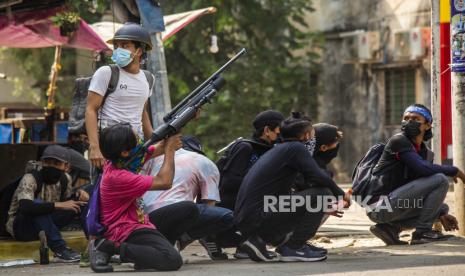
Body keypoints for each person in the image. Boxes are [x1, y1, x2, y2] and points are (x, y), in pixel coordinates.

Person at [234, 113, 351, 262]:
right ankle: (294, 247)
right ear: (306, 134)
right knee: (323, 194)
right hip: (257, 215)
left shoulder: (284, 149)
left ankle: (259, 241)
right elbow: (318, 177)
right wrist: (341, 195)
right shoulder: (295, 148)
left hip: (250, 216)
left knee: (318, 197)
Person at [89, 123, 184, 272]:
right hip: (124, 229)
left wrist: (177, 126)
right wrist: (170, 150)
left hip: (138, 221)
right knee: (172, 259)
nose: (141, 141)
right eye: (137, 139)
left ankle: (144, 257)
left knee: (187, 209)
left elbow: (158, 148)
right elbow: (164, 182)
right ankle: (110, 247)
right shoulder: (118, 177)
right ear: (125, 152)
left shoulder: (118, 160)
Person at [366, 104, 465, 245]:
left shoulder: (426, 153)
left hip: (395, 203)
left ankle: (390, 228)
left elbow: (421, 187)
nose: (409, 122)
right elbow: (423, 169)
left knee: (442, 208)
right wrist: (454, 171)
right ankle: (423, 233)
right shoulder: (398, 141)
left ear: (427, 125)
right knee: (440, 180)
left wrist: (440, 215)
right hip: (380, 206)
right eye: (406, 118)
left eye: (415, 118)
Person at [143, 136, 234, 260]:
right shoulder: (203, 161)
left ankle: (173, 240)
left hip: (145, 218)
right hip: (175, 213)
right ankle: (182, 240)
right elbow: (209, 205)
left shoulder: (153, 158)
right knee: (227, 217)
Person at [85, 22, 155, 170]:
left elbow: (142, 112)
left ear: (139, 50)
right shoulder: (106, 73)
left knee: (135, 191)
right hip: (109, 149)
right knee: (107, 192)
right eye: (116, 46)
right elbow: (91, 109)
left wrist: (153, 141)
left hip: (136, 149)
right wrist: (95, 148)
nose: (118, 50)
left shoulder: (149, 78)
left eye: (125, 45)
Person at [6, 145, 89, 262]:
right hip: (22, 228)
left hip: (46, 226)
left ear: (66, 166)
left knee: (80, 203)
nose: (51, 167)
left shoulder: (65, 179)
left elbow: (67, 203)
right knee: (38, 204)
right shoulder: (30, 178)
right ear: (42, 163)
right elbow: (26, 208)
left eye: (56, 164)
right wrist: (57, 205)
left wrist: (78, 195)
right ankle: (60, 249)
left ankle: (94, 244)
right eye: (47, 162)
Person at [218, 110, 285, 211]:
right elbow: (229, 183)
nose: (280, 134)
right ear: (267, 130)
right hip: (230, 209)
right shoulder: (245, 147)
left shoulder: (270, 149)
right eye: (279, 129)